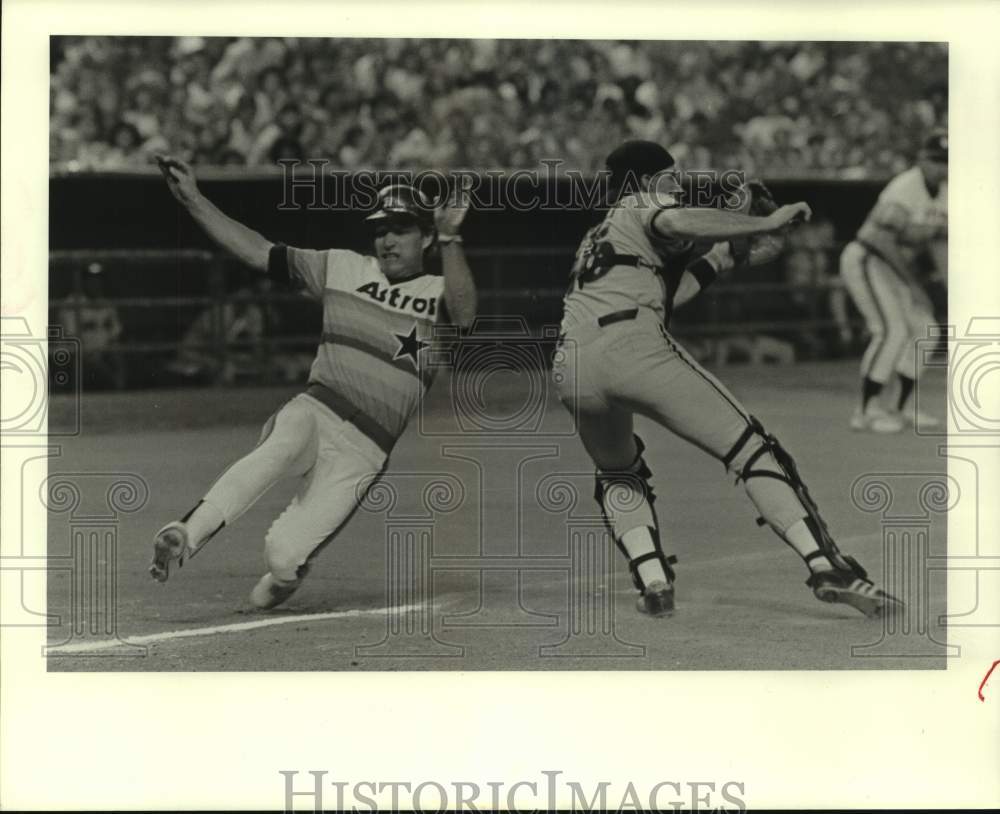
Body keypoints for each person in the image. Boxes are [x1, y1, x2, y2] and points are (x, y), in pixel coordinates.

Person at [552, 139, 902, 619]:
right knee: (753, 449)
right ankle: (826, 566)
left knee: (617, 470)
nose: (678, 184)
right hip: (629, 343)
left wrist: (726, 254)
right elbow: (675, 220)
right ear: (650, 179)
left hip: (571, 364)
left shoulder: (602, 234)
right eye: (671, 176)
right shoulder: (647, 202)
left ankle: (653, 580)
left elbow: (675, 288)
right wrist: (764, 222)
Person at [148, 154, 477, 609]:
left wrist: (453, 237)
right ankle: (187, 532)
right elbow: (257, 250)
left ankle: (287, 577)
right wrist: (194, 200)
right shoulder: (342, 266)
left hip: (366, 448)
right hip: (318, 409)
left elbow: (465, 316)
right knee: (279, 445)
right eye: (380, 229)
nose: (387, 239)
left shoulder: (439, 292)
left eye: (400, 229)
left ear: (426, 237)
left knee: (282, 556)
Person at [839, 131, 947, 432]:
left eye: (947, 162)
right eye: (936, 160)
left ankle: (899, 407)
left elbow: (938, 242)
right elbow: (883, 241)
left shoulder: (949, 192)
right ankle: (866, 410)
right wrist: (913, 286)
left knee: (926, 330)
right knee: (890, 330)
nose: (943, 167)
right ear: (921, 159)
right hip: (867, 258)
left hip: (894, 268)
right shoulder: (904, 188)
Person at [58, 262, 126, 389]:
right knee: (94, 366)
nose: (95, 283)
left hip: (104, 355)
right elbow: (72, 338)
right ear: (83, 282)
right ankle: (115, 389)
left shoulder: (107, 304)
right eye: (91, 279)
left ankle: (120, 390)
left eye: (98, 279)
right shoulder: (72, 304)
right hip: (78, 355)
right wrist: (92, 355)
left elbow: (115, 336)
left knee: (119, 355)